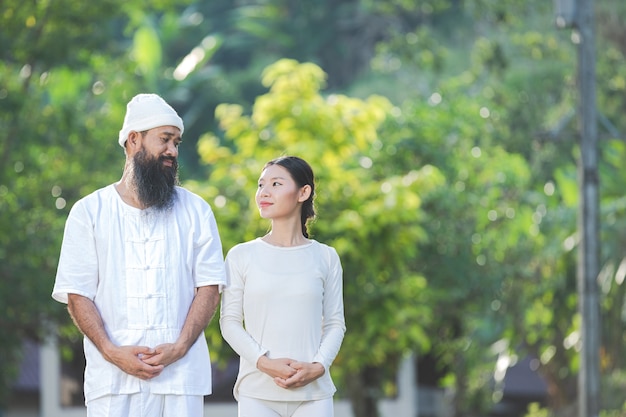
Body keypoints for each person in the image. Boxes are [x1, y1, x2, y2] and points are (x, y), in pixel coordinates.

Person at [52, 93, 227, 417]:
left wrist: (179, 347)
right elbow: (78, 293)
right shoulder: (89, 212)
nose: (173, 151)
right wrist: (111, 351)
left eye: (176, 142)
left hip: (180, 378)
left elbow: (209, 286)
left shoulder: (197, 211)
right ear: (133, 140)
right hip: (113, 382)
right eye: (165, 140)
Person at [220, 156, 346, 417]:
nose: (264, 193)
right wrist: (265, 363)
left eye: (276, 184)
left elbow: (335, 323)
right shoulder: (241, 255)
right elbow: (229, 322)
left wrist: (319, 366)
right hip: (257, 392)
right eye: (260, 185)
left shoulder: (326, 257)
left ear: (303, 192)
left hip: (314, 393)